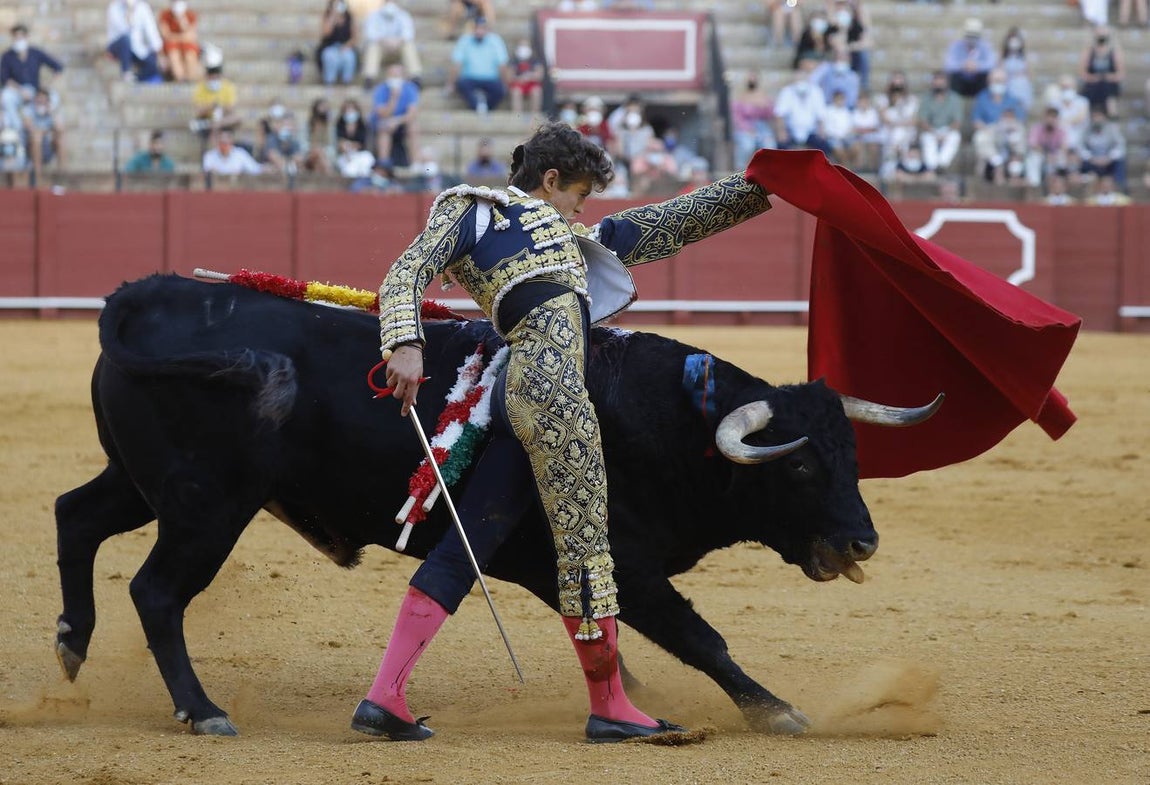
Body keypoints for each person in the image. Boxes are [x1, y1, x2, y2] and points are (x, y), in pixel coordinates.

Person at [365, 120, 774, 743]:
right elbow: (406, 272)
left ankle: (384, 697)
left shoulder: (573, 239)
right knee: (584, 546)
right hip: (550, 388)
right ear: (551, 180)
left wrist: (755, 188)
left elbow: (668, 223)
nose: (584, 209)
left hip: (523, 392)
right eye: (579, 194)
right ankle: (609, 705)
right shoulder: (476, 212)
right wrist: (404, 342)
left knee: (469, 543)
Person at [1, 24, 63, 130]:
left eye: (21, 37)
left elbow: (57, 67)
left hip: (35, 89)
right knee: (6, 96)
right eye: (16, 37)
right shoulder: (7, 56)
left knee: (53, 97)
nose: (19, 40)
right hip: (17, 90)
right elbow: (5, 79)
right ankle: (16, 127)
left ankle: (50, 124)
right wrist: (21, 90)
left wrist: (46, 85)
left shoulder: (35, 53)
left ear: (26, 37)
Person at [774, 57, 832, 156]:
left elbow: (821, 115)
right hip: (791, 130)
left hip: (810, 131)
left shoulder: (816, 91)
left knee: (825, 147)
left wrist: (821, 132)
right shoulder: (787, 91)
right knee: (781, 147)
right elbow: (779, 114)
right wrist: (781, 131)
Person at [449, 17, 508, 113]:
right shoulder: (465, 40)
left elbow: (502, 65)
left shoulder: (495, 40)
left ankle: (484, 107)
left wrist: (505, 83)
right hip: (469, 78)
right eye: (477, 28)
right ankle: (478, 106)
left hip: (491, 78)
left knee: (499, 90)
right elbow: (457, 64)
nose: (480, 31)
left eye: (482, 28)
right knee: (462, 85)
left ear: (487, 29)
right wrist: (450, 83)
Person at [361, 0, 422, 91]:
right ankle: (369, 77)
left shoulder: (404, 15)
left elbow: (409, 34)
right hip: (382, 50)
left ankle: (415, 77)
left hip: (398, 49)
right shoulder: (374, 15)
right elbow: (370, 34)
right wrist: (385, 41)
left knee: (408, 46)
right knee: (373, 46)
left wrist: (397, 41)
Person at [370, 63, 420, 167]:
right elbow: (382, 114)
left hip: (401, 122)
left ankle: (416, 164)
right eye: (392, 75)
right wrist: (393, 98)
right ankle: (384, 164)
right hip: (384, 122)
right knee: (384, 128)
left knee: (413, 127)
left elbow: (411, 114)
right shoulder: (380, 89)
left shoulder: (410, 88)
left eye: (397, 76)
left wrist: (396, 121)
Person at [916, 70, 962, 174]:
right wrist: (934, 133)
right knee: (926, 138)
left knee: (955, 137)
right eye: (936, 80)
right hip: (931, 129)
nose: (938, 83)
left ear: (947, 83)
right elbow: (922, 120)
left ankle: (941, 165)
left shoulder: (954, 98)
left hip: (948, 129)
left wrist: (945, 134)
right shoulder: (926, 98)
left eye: (941, 80)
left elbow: (957, 121)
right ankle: (931, 168)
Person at [106, 0, 163, 83]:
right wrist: (130, 11)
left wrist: (159, 52)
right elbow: (124, 29)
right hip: (118, 45)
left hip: (136, 48)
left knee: (152, 63)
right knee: (125, 40)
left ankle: (137, 79)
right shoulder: (114, 7)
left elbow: (151, 31)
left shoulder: (143, 7)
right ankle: (126, 72)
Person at [730, 71, 775, 170]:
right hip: (745, 128)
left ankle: (767, 170)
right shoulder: (740, 97)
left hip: (762, 128)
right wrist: (747, 129)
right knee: (747, 146)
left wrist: (765, 106)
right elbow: (736, 117)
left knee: (769, 145)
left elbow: (770, 114)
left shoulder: (763, 96)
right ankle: (740, 170)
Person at [943, 17, 996, 98]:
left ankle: (982, 103)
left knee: (986, 76)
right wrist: (963, 65)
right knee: (954, 77)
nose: (972, 38)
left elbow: (991, 64)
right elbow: (948, 65)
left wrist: (977, 66)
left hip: (978, 80)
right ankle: (955, 103)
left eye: (975, 36)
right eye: (969, 35)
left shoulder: (985, 46)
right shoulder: (956, 46)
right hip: (961, 80)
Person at [1078, 25, 1124, 117]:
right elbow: (1082, 73)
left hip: (1109, 83)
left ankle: (1111, 113)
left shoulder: (1114, 52)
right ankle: (1094, 114)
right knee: (1095, 86)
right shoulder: (1089, 51)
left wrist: (1109, 77)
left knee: (1106, 86)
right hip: (1092, 82)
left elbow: (1120, 74)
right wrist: (1093, 78)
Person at [190, 62, 240, 144]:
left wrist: (220, 107)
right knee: (210, 127)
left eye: (216, 78)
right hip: (207, 119)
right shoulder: (201, 88)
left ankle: (215, 126)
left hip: (223, 120)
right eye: (211, 78)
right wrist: (211, 106)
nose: (214, 80)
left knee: (236, 118)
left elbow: (231, 108)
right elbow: (198, 111)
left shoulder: (227, 86)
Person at [1077, 106, 1127, 189]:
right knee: (1082, 162)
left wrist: (1109, 158)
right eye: (1094, 117)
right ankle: (1084, 187)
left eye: (1098, 116)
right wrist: (1091, 158)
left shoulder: (1112, 128)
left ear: (1104, 117)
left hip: (1108, 161)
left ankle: (1120, 187)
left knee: (1120, 160)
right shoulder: (1086, 129)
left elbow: (1120, 146)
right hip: (1092, 161)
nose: (1096, 119)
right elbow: (1080, 146)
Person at [828, 0, 871, 92]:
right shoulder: (833, 27)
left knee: (864, 55)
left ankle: (863, 86)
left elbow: (867, 43)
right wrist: (842, 30)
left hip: (852, 56)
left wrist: (850, 47)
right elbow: (836, 44)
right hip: (837, 59)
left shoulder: (856, 26)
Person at [21, 87, 62, 181]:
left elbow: (59, 128)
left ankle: (61, 175)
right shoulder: (28, 109)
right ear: (35, 99)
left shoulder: (50, 111)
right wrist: (45, 131)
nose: (41, 101)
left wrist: (51, 112)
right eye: (39, 98)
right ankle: (38, 176)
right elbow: (29, 127)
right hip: (30, 148)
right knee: (37, 138)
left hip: (47, 148)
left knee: (60, 138)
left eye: (44, 99)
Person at [157, 0, 200, 82]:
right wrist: (183, 37)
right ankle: (180, 79)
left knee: (190, 55)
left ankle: (190, 79)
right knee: (174, 55)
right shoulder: (165, 15)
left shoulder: (190, 15)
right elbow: (166, 35)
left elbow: (192, 36)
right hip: (172, 45)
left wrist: (182, 21)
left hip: (187, 45)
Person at [319, 0, 357, 86]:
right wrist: (333, 17)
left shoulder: (349, 17)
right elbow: (326, 33)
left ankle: (346, 81)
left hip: (345, 47)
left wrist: (346, 46)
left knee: (349, 58)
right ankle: (329, 81)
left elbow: (354, 37)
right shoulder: (327, 17)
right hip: (330, 47)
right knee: (330, 57)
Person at [999, 26, 1032, 112]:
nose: (1013, 42)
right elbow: (1000, 72)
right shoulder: (1003, 57)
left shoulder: (1023, 58)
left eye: (1016, 40)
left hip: (1021, 86)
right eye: (1011, 40)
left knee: (1021, 82)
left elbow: (1028, 74)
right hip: (1007, 84)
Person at [507, 38, 543, 117]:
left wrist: (530, 76)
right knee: (516, 92)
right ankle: (517, 116)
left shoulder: (534, 60)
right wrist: (519, 78)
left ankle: (535, 116)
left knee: (537, 91)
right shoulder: (513, 61)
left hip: (532, 84)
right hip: (518, 84)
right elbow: (510, 77)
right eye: (522, 46)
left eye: (526, 46)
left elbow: (540, 75)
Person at [303, 98, 334, 174]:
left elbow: (331, 144)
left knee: (319, 161)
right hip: (310, 152)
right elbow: (303, 143)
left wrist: (321, 149)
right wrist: (314, 148)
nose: (323, 109)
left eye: (325, 107)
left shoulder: (329, 126)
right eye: (321, 106)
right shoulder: (308, 124)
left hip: (325, 152)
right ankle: (329, 174)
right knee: (318, 154)